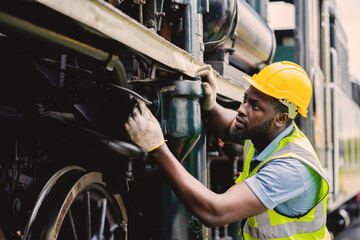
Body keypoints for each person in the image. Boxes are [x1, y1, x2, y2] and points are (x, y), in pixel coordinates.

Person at [125, 61, 330, 239]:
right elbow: (230, 126)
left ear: (281, 118)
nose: (242, 109)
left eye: (255, 106)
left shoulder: (290, 169)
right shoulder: (268, 134)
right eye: (245, 100)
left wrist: (157, 147)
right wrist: (211, 105)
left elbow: (215, 212)